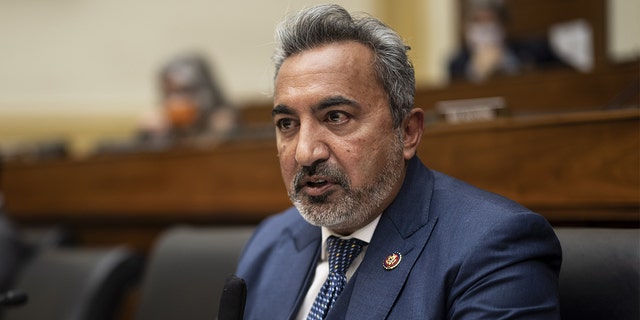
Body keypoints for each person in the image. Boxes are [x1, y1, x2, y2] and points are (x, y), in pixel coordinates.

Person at [236, 4, 561, 319]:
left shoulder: (492, 247)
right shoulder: (270, 242)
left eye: (336, 117)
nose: (305, 153)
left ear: (407, 132)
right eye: (287, 124)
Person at [448, 0, 564, 83]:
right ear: (465, 28)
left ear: (504, 26)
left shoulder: (537, 50)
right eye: (477, 21)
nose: (484, 28)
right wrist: (475, 73)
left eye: (490, 20)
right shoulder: (457, 64)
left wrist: (514, 67)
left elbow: (570, 78)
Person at [138, 53, 238, 146]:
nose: (175, 100)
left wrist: (219, 134)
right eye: (169, 93)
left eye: (183, 91)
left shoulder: (224, 121)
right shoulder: (165, 126)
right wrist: (151, 135)